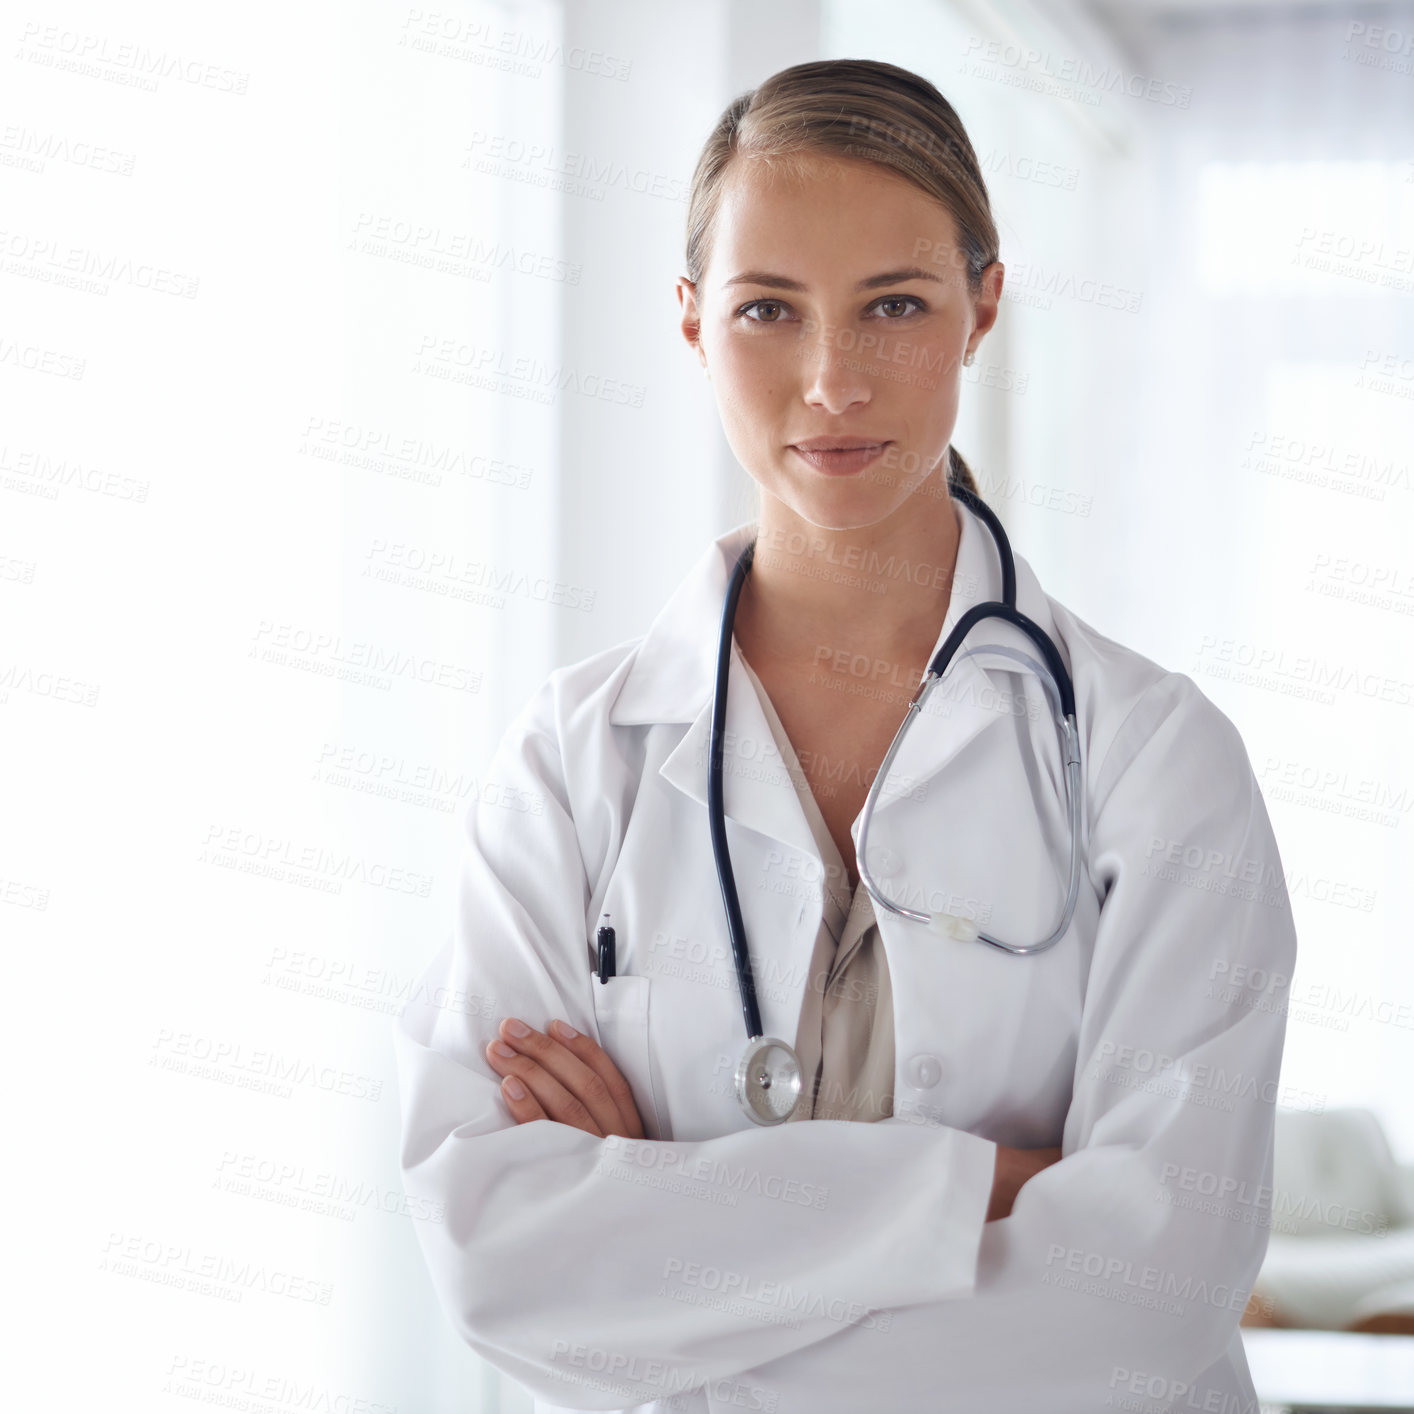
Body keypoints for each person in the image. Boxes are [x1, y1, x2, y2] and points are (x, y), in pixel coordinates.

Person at [393, 58, 1297, 1414]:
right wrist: (975, 1191)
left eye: (893, 304)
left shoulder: (1154, 759)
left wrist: (664, 1223)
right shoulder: (572, 768)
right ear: (691, 321)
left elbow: (1147, 1294)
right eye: (768, 308)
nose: (830, 380)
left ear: (982, 304)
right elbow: (497, 1259)